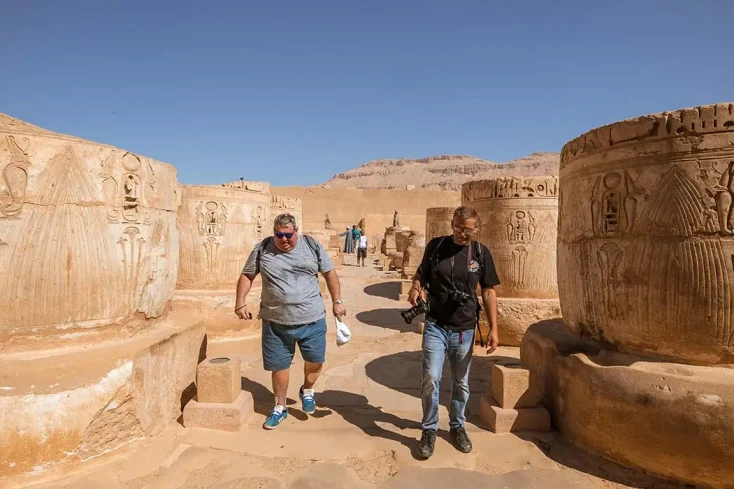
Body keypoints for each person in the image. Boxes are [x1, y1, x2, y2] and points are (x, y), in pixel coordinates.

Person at [235, 213, 347, 429]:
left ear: (296, 231)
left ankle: (307, 389)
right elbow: (247, 275)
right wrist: (240, 301)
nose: (284, 239)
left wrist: (337, 301)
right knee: (279, 367)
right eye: (279, 235)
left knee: (315, 362)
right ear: (274, 233)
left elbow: (330, 274)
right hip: (275, 322)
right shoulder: (263, 249)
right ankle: (280, 406)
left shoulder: (311, 246)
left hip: (312, 320)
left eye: (288, 235)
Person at [407, 205, 500, 458]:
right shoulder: (436, 247)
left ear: (476, 229)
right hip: (436, 324)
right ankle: (429, 429)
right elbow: (422, 273)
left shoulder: (481, 253)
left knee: (460, 382)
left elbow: (489, 291)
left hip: (464, 328)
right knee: (431, 377)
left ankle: (457, 426)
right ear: (452, 225)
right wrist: (416, 287)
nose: (462, 234)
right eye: (458, 228)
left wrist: (494, 328)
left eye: (468, 229)